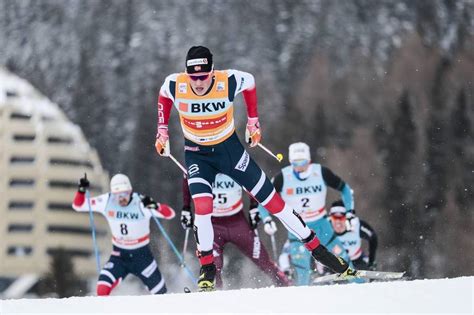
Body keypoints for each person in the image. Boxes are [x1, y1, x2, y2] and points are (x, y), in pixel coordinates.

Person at [154, 46, 355, 291]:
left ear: (212, 71)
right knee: (203, 207)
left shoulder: (227, 81)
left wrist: (253, 121)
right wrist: (162, 131)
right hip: (198, 155)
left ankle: (319, 251)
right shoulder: (177, 84)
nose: (197, 82)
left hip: (229, 151)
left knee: (274, 204)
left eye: (203, 76)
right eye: (193, 76)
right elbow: (164, 95)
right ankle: (207, 266)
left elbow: (250, 83)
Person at [259, 142, 354, 285]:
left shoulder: (321, 172)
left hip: (321, 224)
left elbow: (345, 189)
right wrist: (267, 219)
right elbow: (263, 200)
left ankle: (358, 283)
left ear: (309, 159)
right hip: (297, 227)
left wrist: (350, 213)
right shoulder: (283, 177)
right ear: (290, 161)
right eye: (295, 162)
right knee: (301, 268)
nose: (299, 166)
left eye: (302, 161)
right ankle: (303, 298)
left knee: (342, 257)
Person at [72, 174, 175, 296]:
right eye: (117, 196)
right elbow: (78, 206)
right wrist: (81, 191)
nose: (121, 199)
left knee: (161, 294)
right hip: (119, 256)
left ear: (130, 191)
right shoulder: (106, 201)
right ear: (112, 194)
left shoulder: (141, 202)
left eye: (125, 194)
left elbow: (170, 214)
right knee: (102, 289)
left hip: (142, 256)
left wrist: (156, 206)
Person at [181, 173, 290, 289]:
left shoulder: (231, 162)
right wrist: (186, 208)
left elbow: (251, 181)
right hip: (213, 225)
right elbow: (187, 180)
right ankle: (213, 296)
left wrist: (253, 206)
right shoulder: (201, 164)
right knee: (213, 265)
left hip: (237, 222)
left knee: (263, 260)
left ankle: (287, 286)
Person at [329, 200, 378, 269]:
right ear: (330, 217)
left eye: (341, 217)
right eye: (335, 217)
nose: (338, 222)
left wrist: (371, 260)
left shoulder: (356, 225)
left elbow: (373, 237)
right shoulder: (325, 227)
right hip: (333, 263)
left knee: (368, 268)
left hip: (356, 260)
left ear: (346, 217)